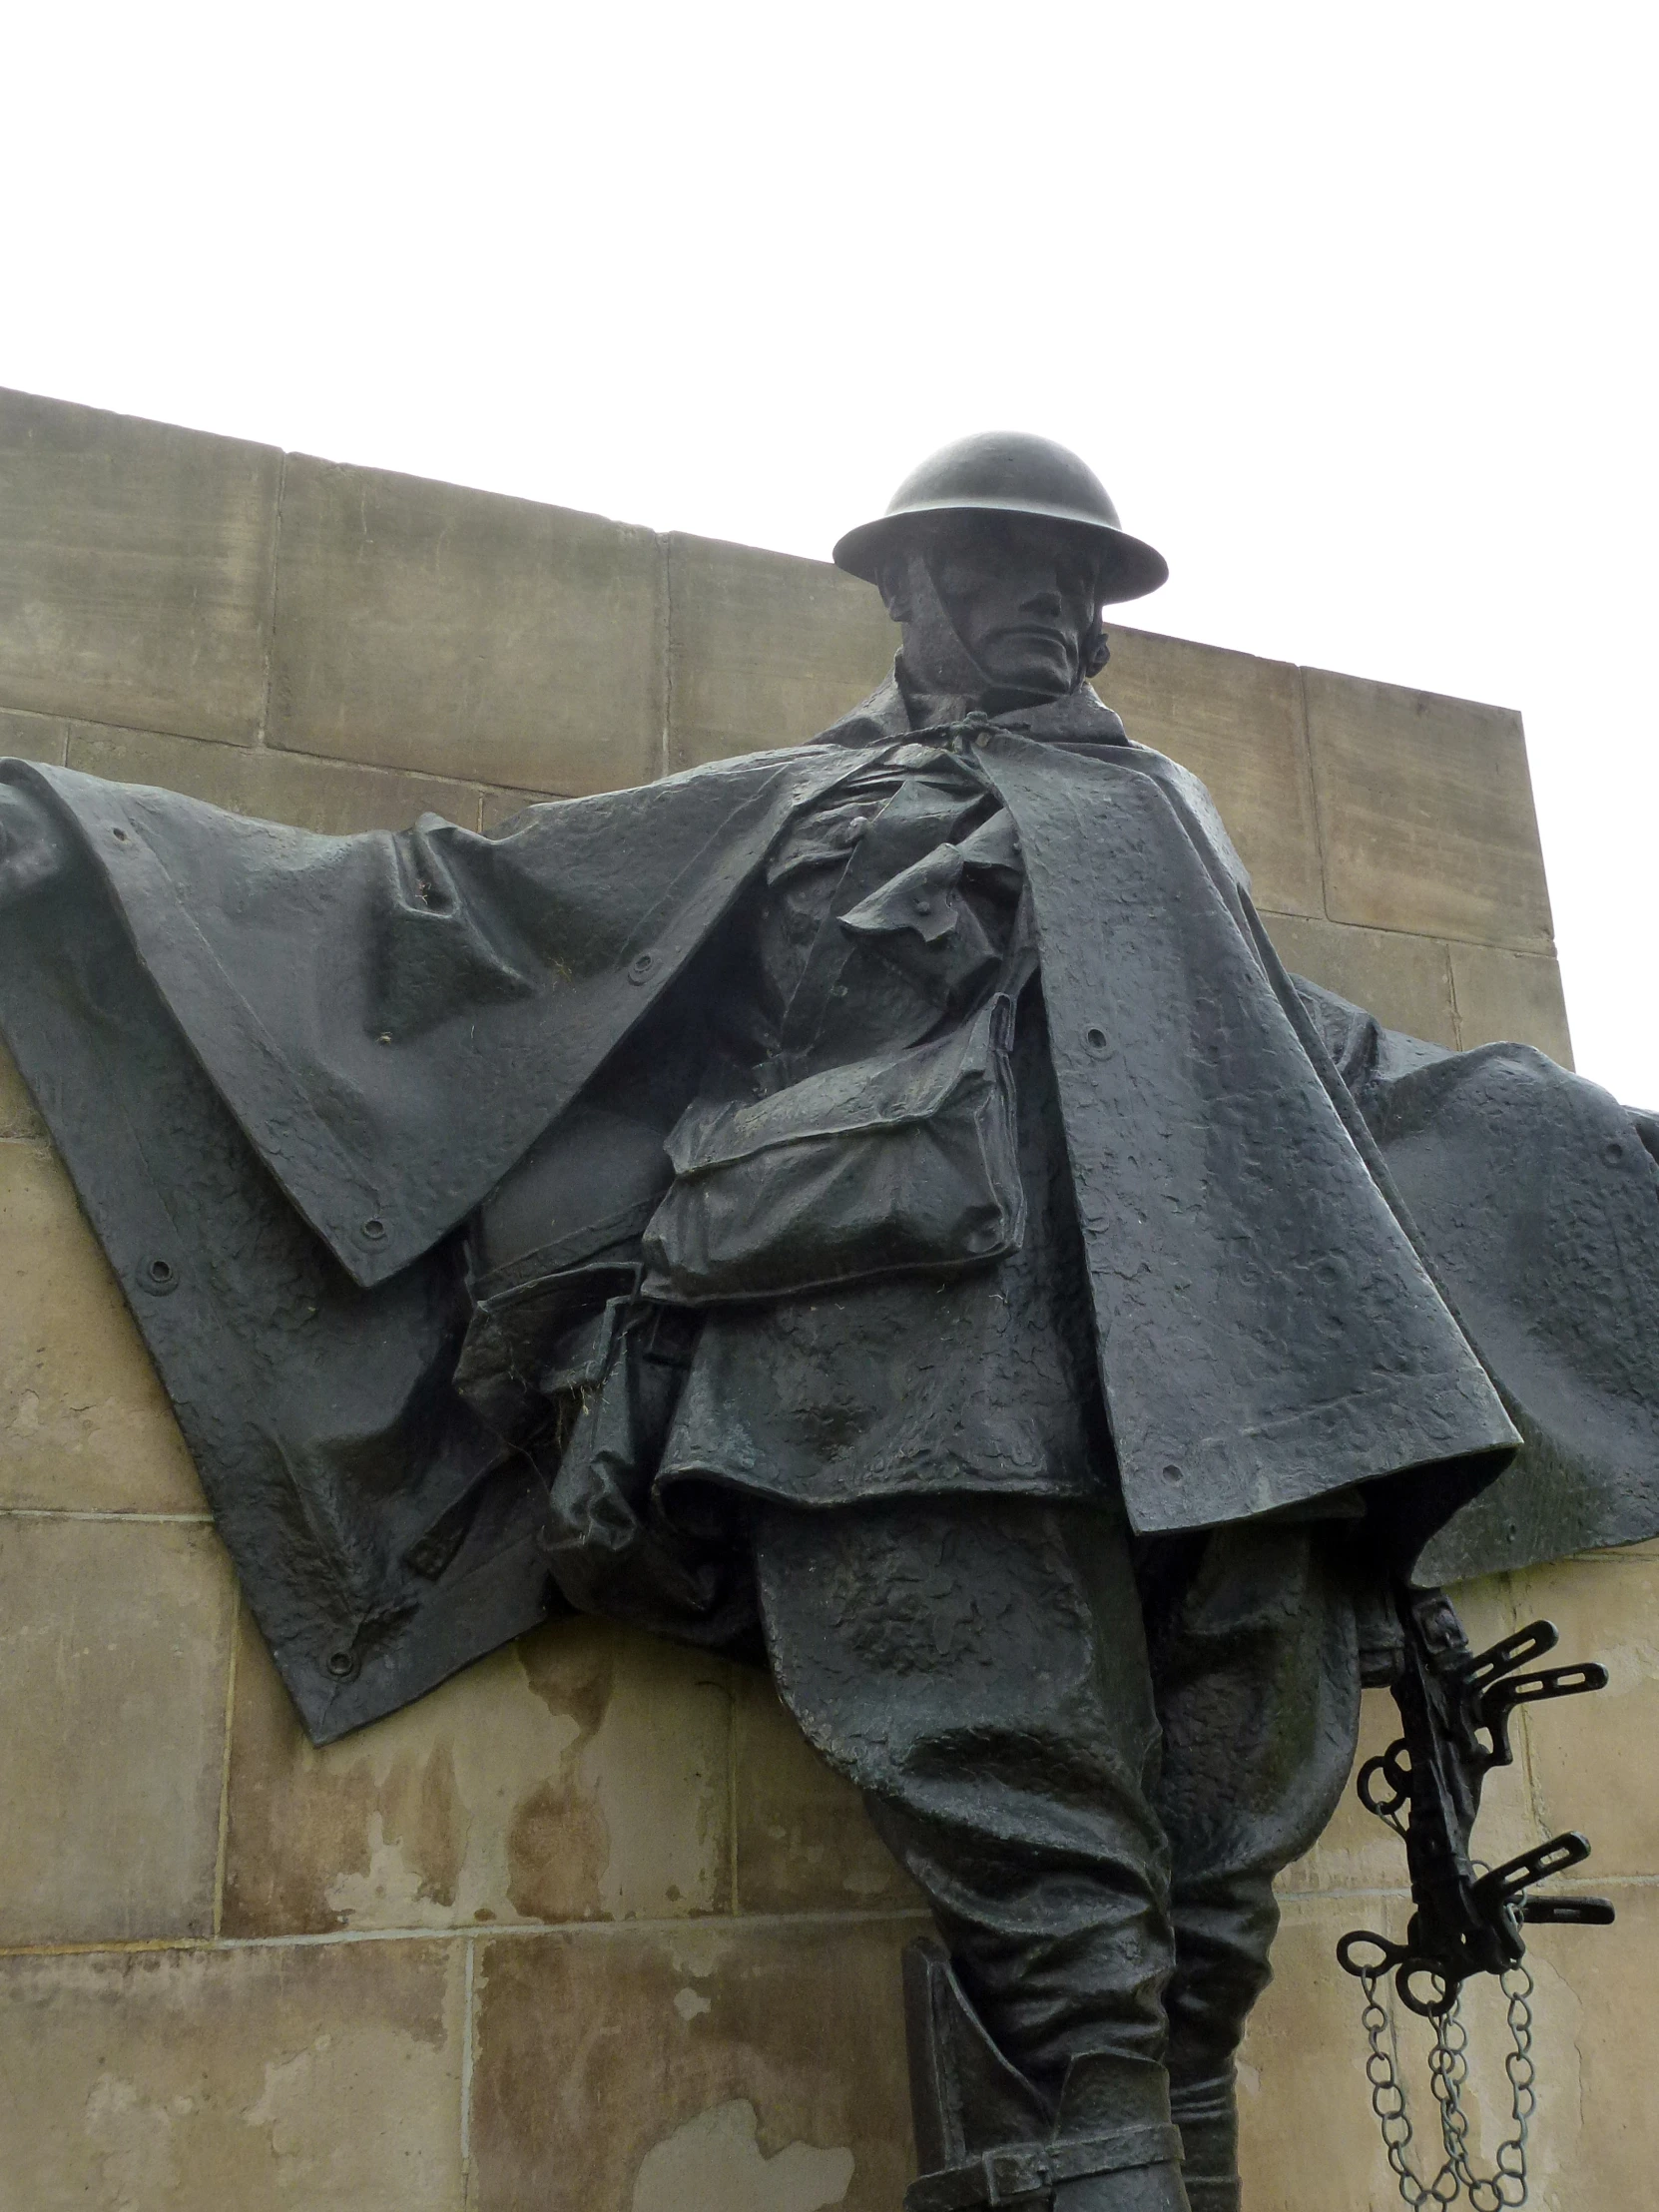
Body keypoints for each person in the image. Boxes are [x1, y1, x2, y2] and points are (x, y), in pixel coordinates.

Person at [3, 434, 1656, 2212]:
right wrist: (112, 849)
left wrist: (1570, 1148)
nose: (1056, 605)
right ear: (908, 588)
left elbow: (1301, 1062)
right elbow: (476, 915)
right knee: (1062, 1938)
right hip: (897, 1388)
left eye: (1078, 580)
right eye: (1012, 566)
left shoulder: (1156, 803)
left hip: (1227, 1418)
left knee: (1210, 1933)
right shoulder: (786, 803)